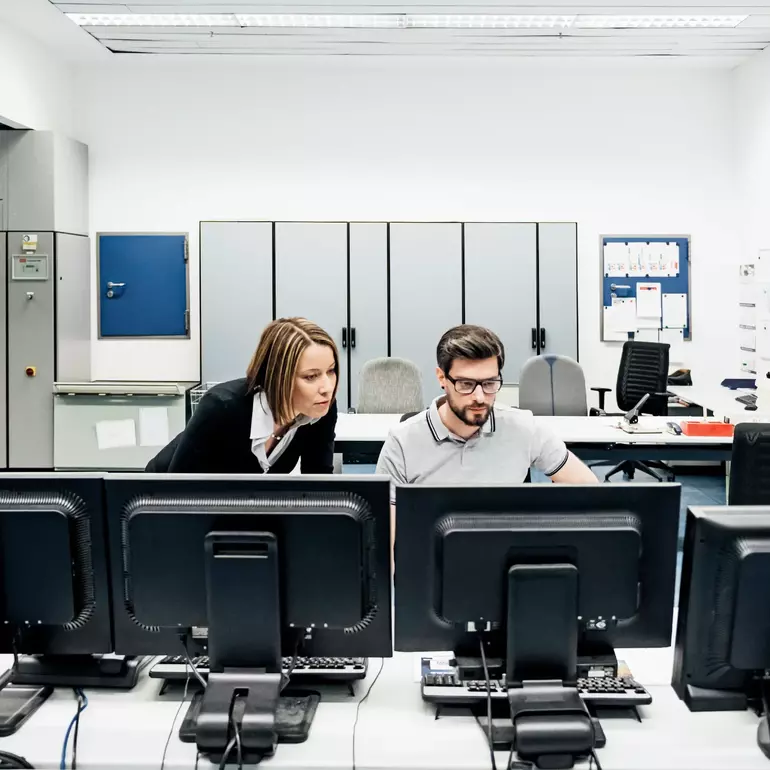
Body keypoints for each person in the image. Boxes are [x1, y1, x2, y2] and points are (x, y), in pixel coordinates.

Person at [376, 324, 597, 510]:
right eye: (466, 384)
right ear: (442, 377)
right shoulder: (402, 442)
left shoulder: (525, 428)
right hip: (432, 560)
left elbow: (592, 494)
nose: (480, 397)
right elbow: (386, 538)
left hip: (506, 557)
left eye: (490, 383)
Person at [147, 317, 338, 474]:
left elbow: (318, 485)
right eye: (311, 376)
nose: (327, 387)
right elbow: (178, 494)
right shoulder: (221, 406)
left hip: (236, 507)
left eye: (331, 371)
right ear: (278, 376)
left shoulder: (320, 410)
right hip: (157, 504)